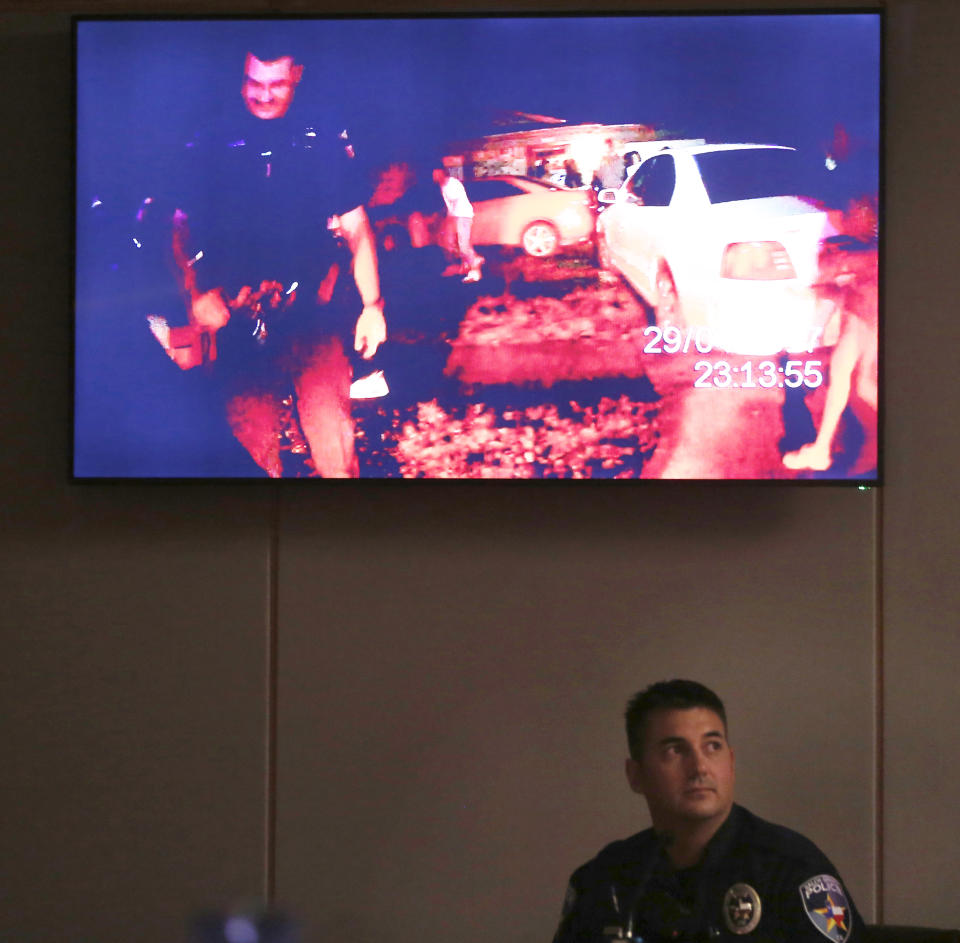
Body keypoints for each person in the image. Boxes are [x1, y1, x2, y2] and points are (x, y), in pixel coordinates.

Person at [153, 43, 385, 477]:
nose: (262, 95)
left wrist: (373, 306)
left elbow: (357, 228)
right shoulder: (211, 138)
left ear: (296, 75)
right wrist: (194, 293)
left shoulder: (319, 137)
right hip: (238, 316)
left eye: (275, 84)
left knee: (331, 430)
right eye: (253, 83)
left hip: (310, 311)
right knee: (247, 448)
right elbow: (178, 228)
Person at [552, 680, 864, 943]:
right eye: (675, 750)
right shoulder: (608, 878)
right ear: (636, 775)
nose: (699, 767)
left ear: (731, 761)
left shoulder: (791, 869)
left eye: (712, 746)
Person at [432, 163, 484, 283]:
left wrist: (450, 218)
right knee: (457, 244)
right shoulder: (442, 186)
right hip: (456, 216)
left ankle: (475, 267)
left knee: (464, 246)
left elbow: (455, 200)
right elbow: (449, 205)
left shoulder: (452, 183)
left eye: (435, 173)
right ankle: (468, 266)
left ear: (441, 173)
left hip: (463, 215)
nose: (434, 176)